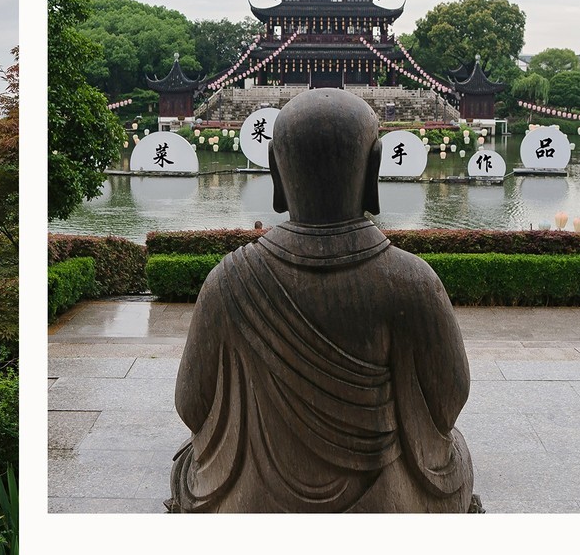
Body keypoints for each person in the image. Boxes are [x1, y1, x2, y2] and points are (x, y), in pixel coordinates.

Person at [169, 88, 476, 512]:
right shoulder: (412, 281)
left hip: (255, 503)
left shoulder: (228, 280)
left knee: (188, 462)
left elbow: (191, 405)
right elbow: (448, 402)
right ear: (374, 170)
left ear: (276, 169)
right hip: (386, 501)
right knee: (452, 453)